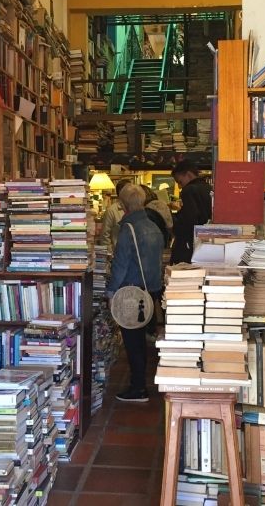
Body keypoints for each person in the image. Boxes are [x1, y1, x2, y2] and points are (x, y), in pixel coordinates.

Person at [106, 184, 165, 403]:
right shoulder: (154, 226)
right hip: (151, 290)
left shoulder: (128, 229)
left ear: (123, 205)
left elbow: (121, 265)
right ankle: (144, 382)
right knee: (142, 339)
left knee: (133, 342)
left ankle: (138, 387)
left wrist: (111, 291)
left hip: (130, 292)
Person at [171, 160, 212, 264]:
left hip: (190, 243)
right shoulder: (208, 188)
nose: (180, 187)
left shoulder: (189, 190)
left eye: (180, 182)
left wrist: (174, 221)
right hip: (207, 240)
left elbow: (189, 219)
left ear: (188, 174)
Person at [95, 179, 131, 251]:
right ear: (121, 192)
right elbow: (105, 235)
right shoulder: (112, 211)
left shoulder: (134, 208)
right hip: (117, 254)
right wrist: (110, 254)